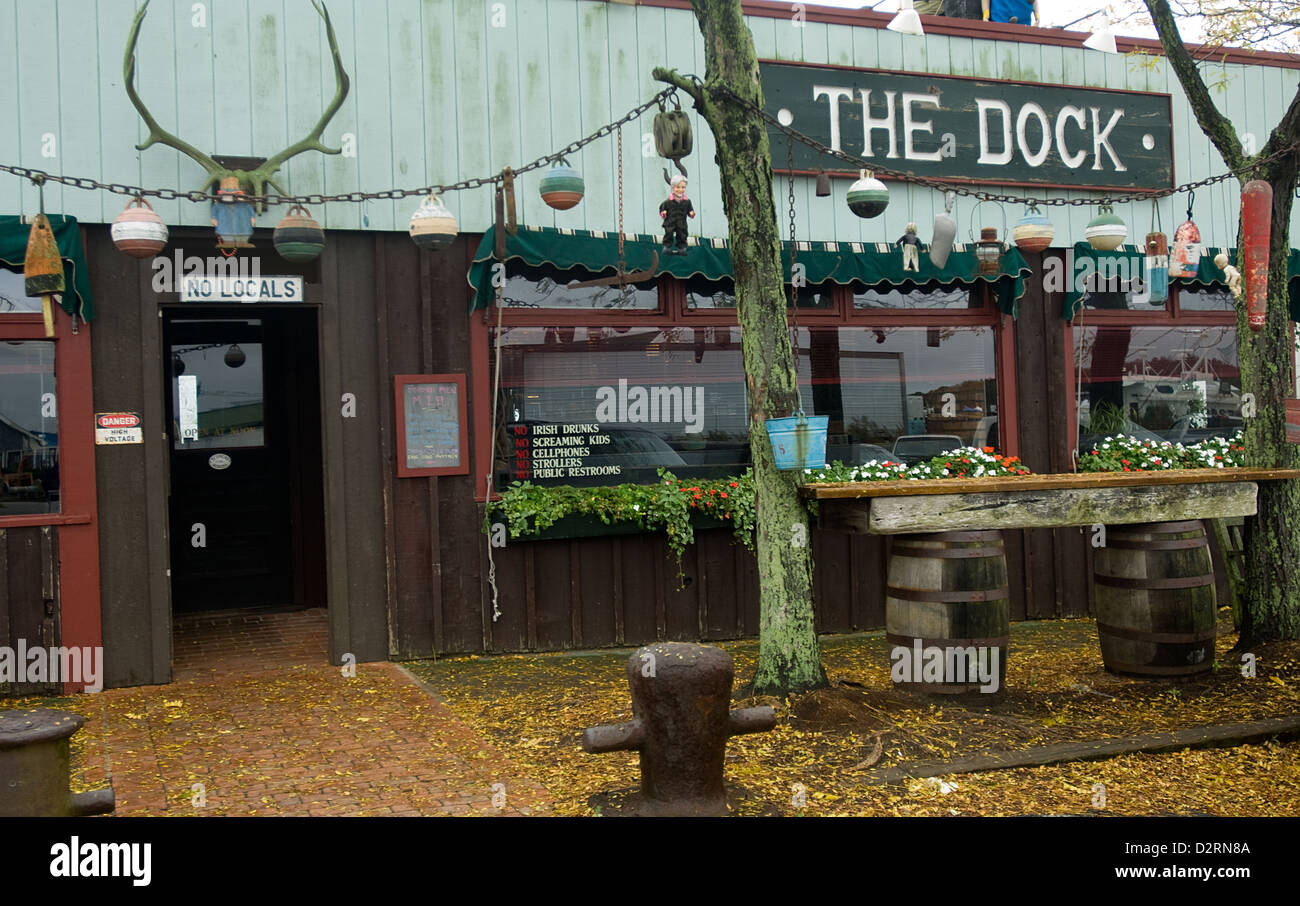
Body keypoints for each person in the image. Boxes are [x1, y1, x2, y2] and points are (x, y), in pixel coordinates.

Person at [659, 175, 695, 256]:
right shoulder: (668, 202)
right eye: (678, 187)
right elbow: (662, 208)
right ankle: (667, 247)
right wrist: (663, 213)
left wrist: (691, 213)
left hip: (681, 222)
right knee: (668, 233)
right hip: (670, 221)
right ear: (673, 188)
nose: (680, 190)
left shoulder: (687, 202)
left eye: (683, 187)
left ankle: (681, 247)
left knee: (682, 234)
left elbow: (690, 210)